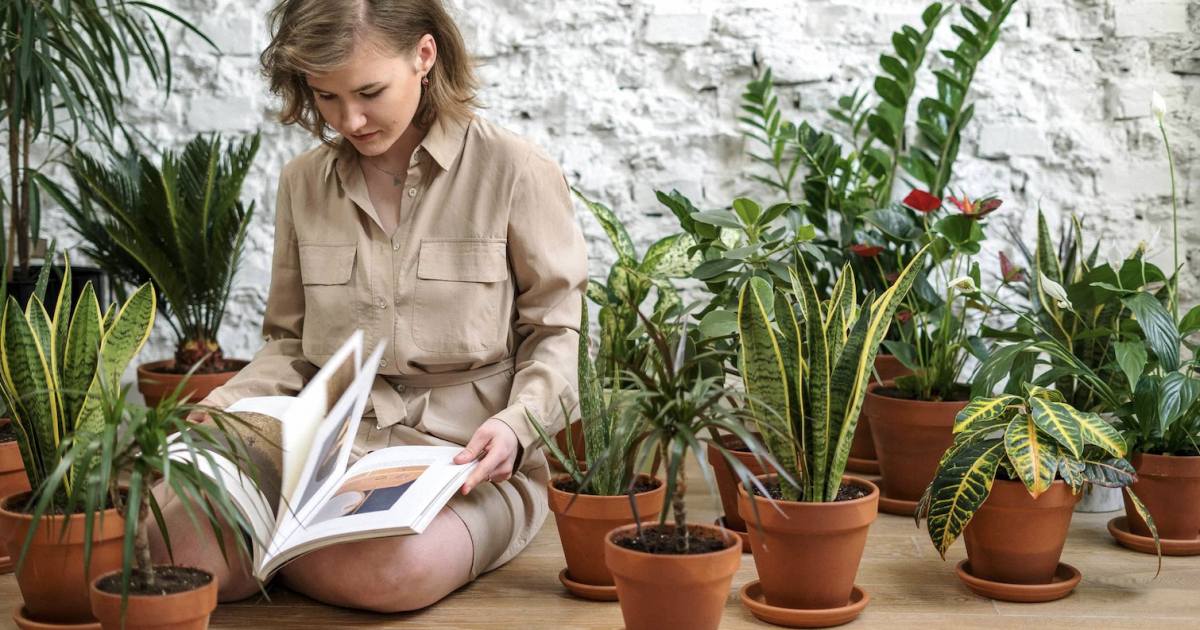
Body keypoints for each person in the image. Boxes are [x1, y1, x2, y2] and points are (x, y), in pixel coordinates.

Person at [149, 0, 587, 613]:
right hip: (324, 451)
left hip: (463, 462)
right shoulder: (303, 181)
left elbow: (557, 331)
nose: (349, 119)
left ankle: (266, 553)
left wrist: (518, 429)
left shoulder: (515, 170)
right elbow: (288, 346)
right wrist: (224, 409)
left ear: (424, 56)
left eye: (369, 91)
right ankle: (286, 546)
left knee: (390, 574)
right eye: (325, 96)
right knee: (172, 546)